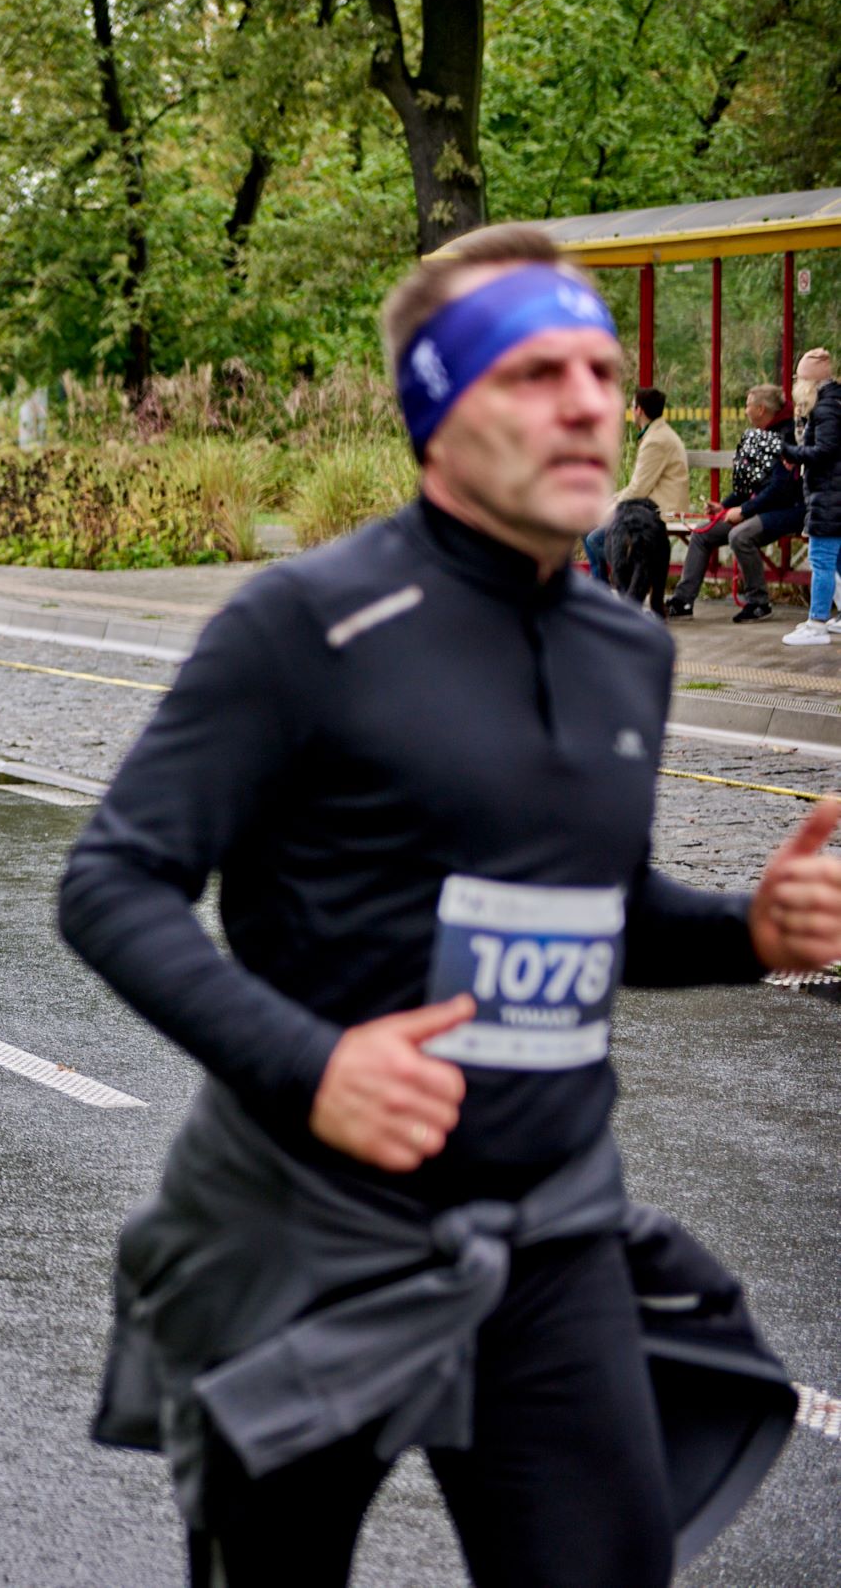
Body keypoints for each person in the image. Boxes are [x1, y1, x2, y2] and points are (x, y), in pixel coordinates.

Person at [60, 223, 838, 1588]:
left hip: (549, 1229)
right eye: (536, 372)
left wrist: (749, 931)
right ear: (440, 405)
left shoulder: (624, 650)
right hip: (311, 1225)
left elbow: (592, 909)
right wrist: (317, 1066)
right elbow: (111, 880)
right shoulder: (304, 624)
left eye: (600, 369)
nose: (589, 400)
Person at [664, 383, 801, 621]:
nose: (745, 410)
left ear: (760, 409)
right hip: (761, 508)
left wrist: (744, 510)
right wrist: (725, 507)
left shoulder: (788, 437)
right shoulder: (759, 436)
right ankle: (682, 601)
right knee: (701, 534)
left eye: (747, 405)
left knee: (740, 535)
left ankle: (759, 603)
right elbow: (748, 484)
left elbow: (781, 489)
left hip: (790, 509)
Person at [584, 386, 685, 586]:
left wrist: (609, 507)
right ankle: (600, 587)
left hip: (658, 510)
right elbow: (639, 486)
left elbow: (639, 489)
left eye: (632, 406)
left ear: (639, 410)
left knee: (595, 539)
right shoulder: (656, 434)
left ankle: (627, 581)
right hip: (647, 503)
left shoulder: (656, 441)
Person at [780, 349, 841, 647]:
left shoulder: (826, 407)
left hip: (830, 495)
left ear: (807, 383)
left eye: (798, 379)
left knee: (821, 560)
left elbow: (826, 451)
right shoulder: (835, 402)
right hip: (832, 493)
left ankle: (816, 623)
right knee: (838, 559)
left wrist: (790, 452)